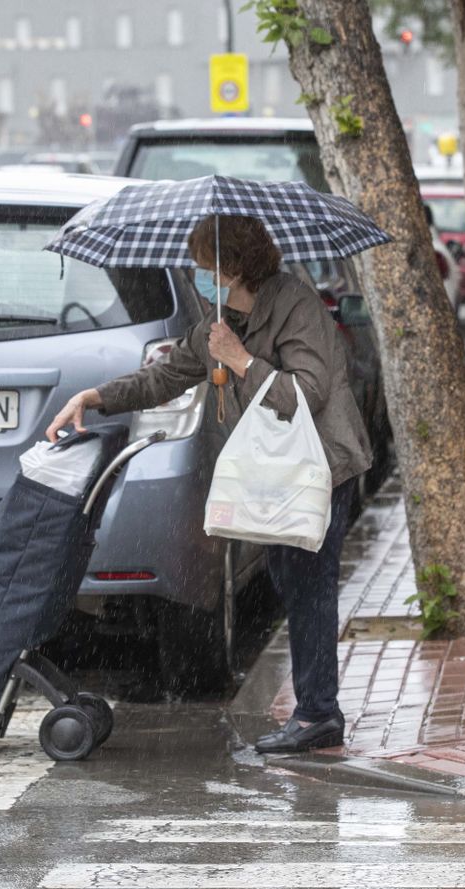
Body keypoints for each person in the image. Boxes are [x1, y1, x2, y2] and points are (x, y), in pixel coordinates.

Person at [45, 214, 373, 754]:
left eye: (206, 269)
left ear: (235, 268)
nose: (199, 278)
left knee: (309, 589)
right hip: (275, 472)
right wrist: (94, 397)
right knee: (290, 583)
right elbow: (164, 376)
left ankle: (318, 714)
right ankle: (317, 710)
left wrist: (240, 360)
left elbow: (304, 396)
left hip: (319, 467)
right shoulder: (220, 322)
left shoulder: (294, 303)